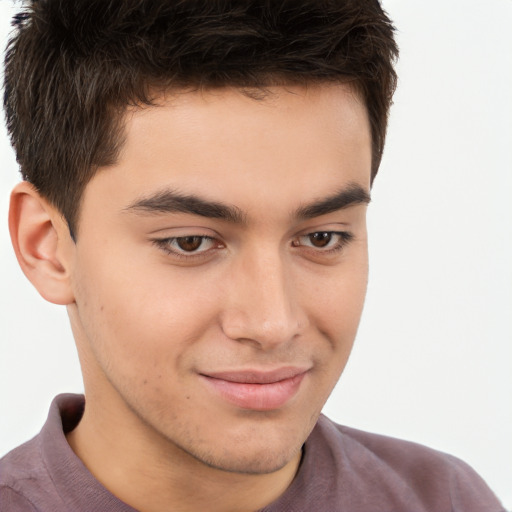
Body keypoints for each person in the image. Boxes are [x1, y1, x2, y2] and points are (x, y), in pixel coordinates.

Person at [0, 1, 505, 511]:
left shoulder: (446, 500)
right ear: (47, 247)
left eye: (322, 237)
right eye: (190, 242)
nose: (272, 323)